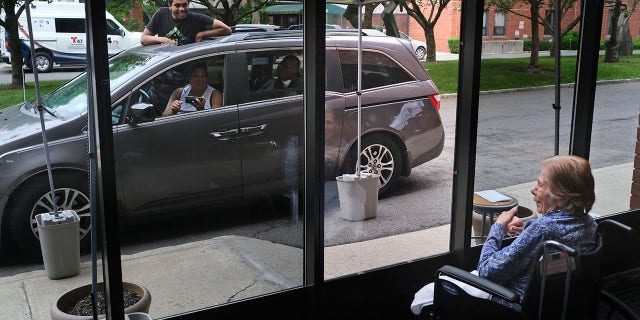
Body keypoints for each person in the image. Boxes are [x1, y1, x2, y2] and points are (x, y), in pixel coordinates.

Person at [411, 155, 598, 314]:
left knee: (430, 291)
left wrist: (498, 228)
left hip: (514, 306)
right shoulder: (590, 223)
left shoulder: (543, 230)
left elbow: (486, 271)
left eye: (541, 185)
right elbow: (557, 234)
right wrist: (527, 230)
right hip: (561, 305)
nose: (533, 189)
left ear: (563, 195)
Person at [141, 0, 231, 46]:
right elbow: (144, 39)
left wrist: (201, 34)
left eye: (185, 5)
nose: (182, 9)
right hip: (165, 67)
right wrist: (164, 40)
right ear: (170, 6)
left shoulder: (196, 18)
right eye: (177, 5)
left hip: (188, 67)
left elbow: (226, 29)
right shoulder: (161, 14)